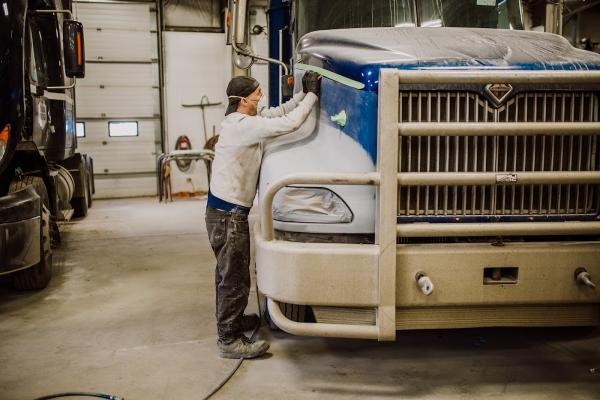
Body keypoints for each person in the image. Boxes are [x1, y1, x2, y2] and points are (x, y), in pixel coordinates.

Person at [205, 72, 322, 359]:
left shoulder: (243, 122)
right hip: (227, 216)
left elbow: (278, 112)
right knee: (234, 277)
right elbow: (289, 122)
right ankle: (229, 339)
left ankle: (232, 320)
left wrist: (300, 95)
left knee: (230, 273)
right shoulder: (242, 127)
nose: (261, 98)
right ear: (244, 100)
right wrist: (313, 97)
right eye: (257, 94)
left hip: (224, 213)